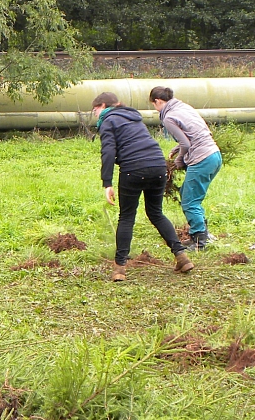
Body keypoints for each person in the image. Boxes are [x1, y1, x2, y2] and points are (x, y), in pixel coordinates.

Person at [93, 92, 195, 282]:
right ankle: (182, 257)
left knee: (126, 217)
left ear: (104, 106)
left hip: (133, 169)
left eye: (95, 110)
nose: (95, 114)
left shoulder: (108, 120)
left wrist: (107, 183)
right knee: (156, 213)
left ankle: (119, 268)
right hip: (158, 166)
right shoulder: (133, 117)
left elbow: (108, 151)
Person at [150, 86, 221, 250]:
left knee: (189, 201)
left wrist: (179, 159)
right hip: (214, 154)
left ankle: (199, 241)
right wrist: (177, 148)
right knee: (190, 196)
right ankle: (202, 232)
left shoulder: (169, 117)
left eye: (153, 104)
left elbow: (186, 144)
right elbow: (196, 133)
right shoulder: (184, 107)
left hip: (201, 159)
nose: (154, 108)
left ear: (158, 101)